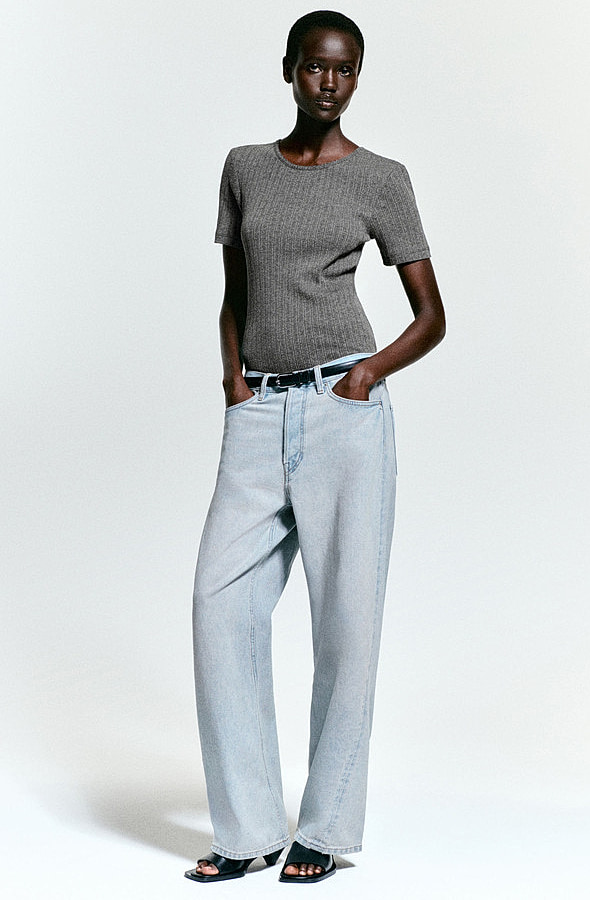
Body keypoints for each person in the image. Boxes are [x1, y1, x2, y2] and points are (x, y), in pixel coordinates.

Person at [185, 9, 445, 885]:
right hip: (259, 409)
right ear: (289, 68)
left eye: (344, 70)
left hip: (345, 413)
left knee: (346, 626)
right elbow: (235, 289)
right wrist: (233, 382)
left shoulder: (382, 179)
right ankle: (248, 829)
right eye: (314, 67)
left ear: (357, 77)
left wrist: (365, 376)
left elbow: (432, 317)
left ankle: (325, 830)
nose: (328, 83)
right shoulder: (245, 168)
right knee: (220, 607)